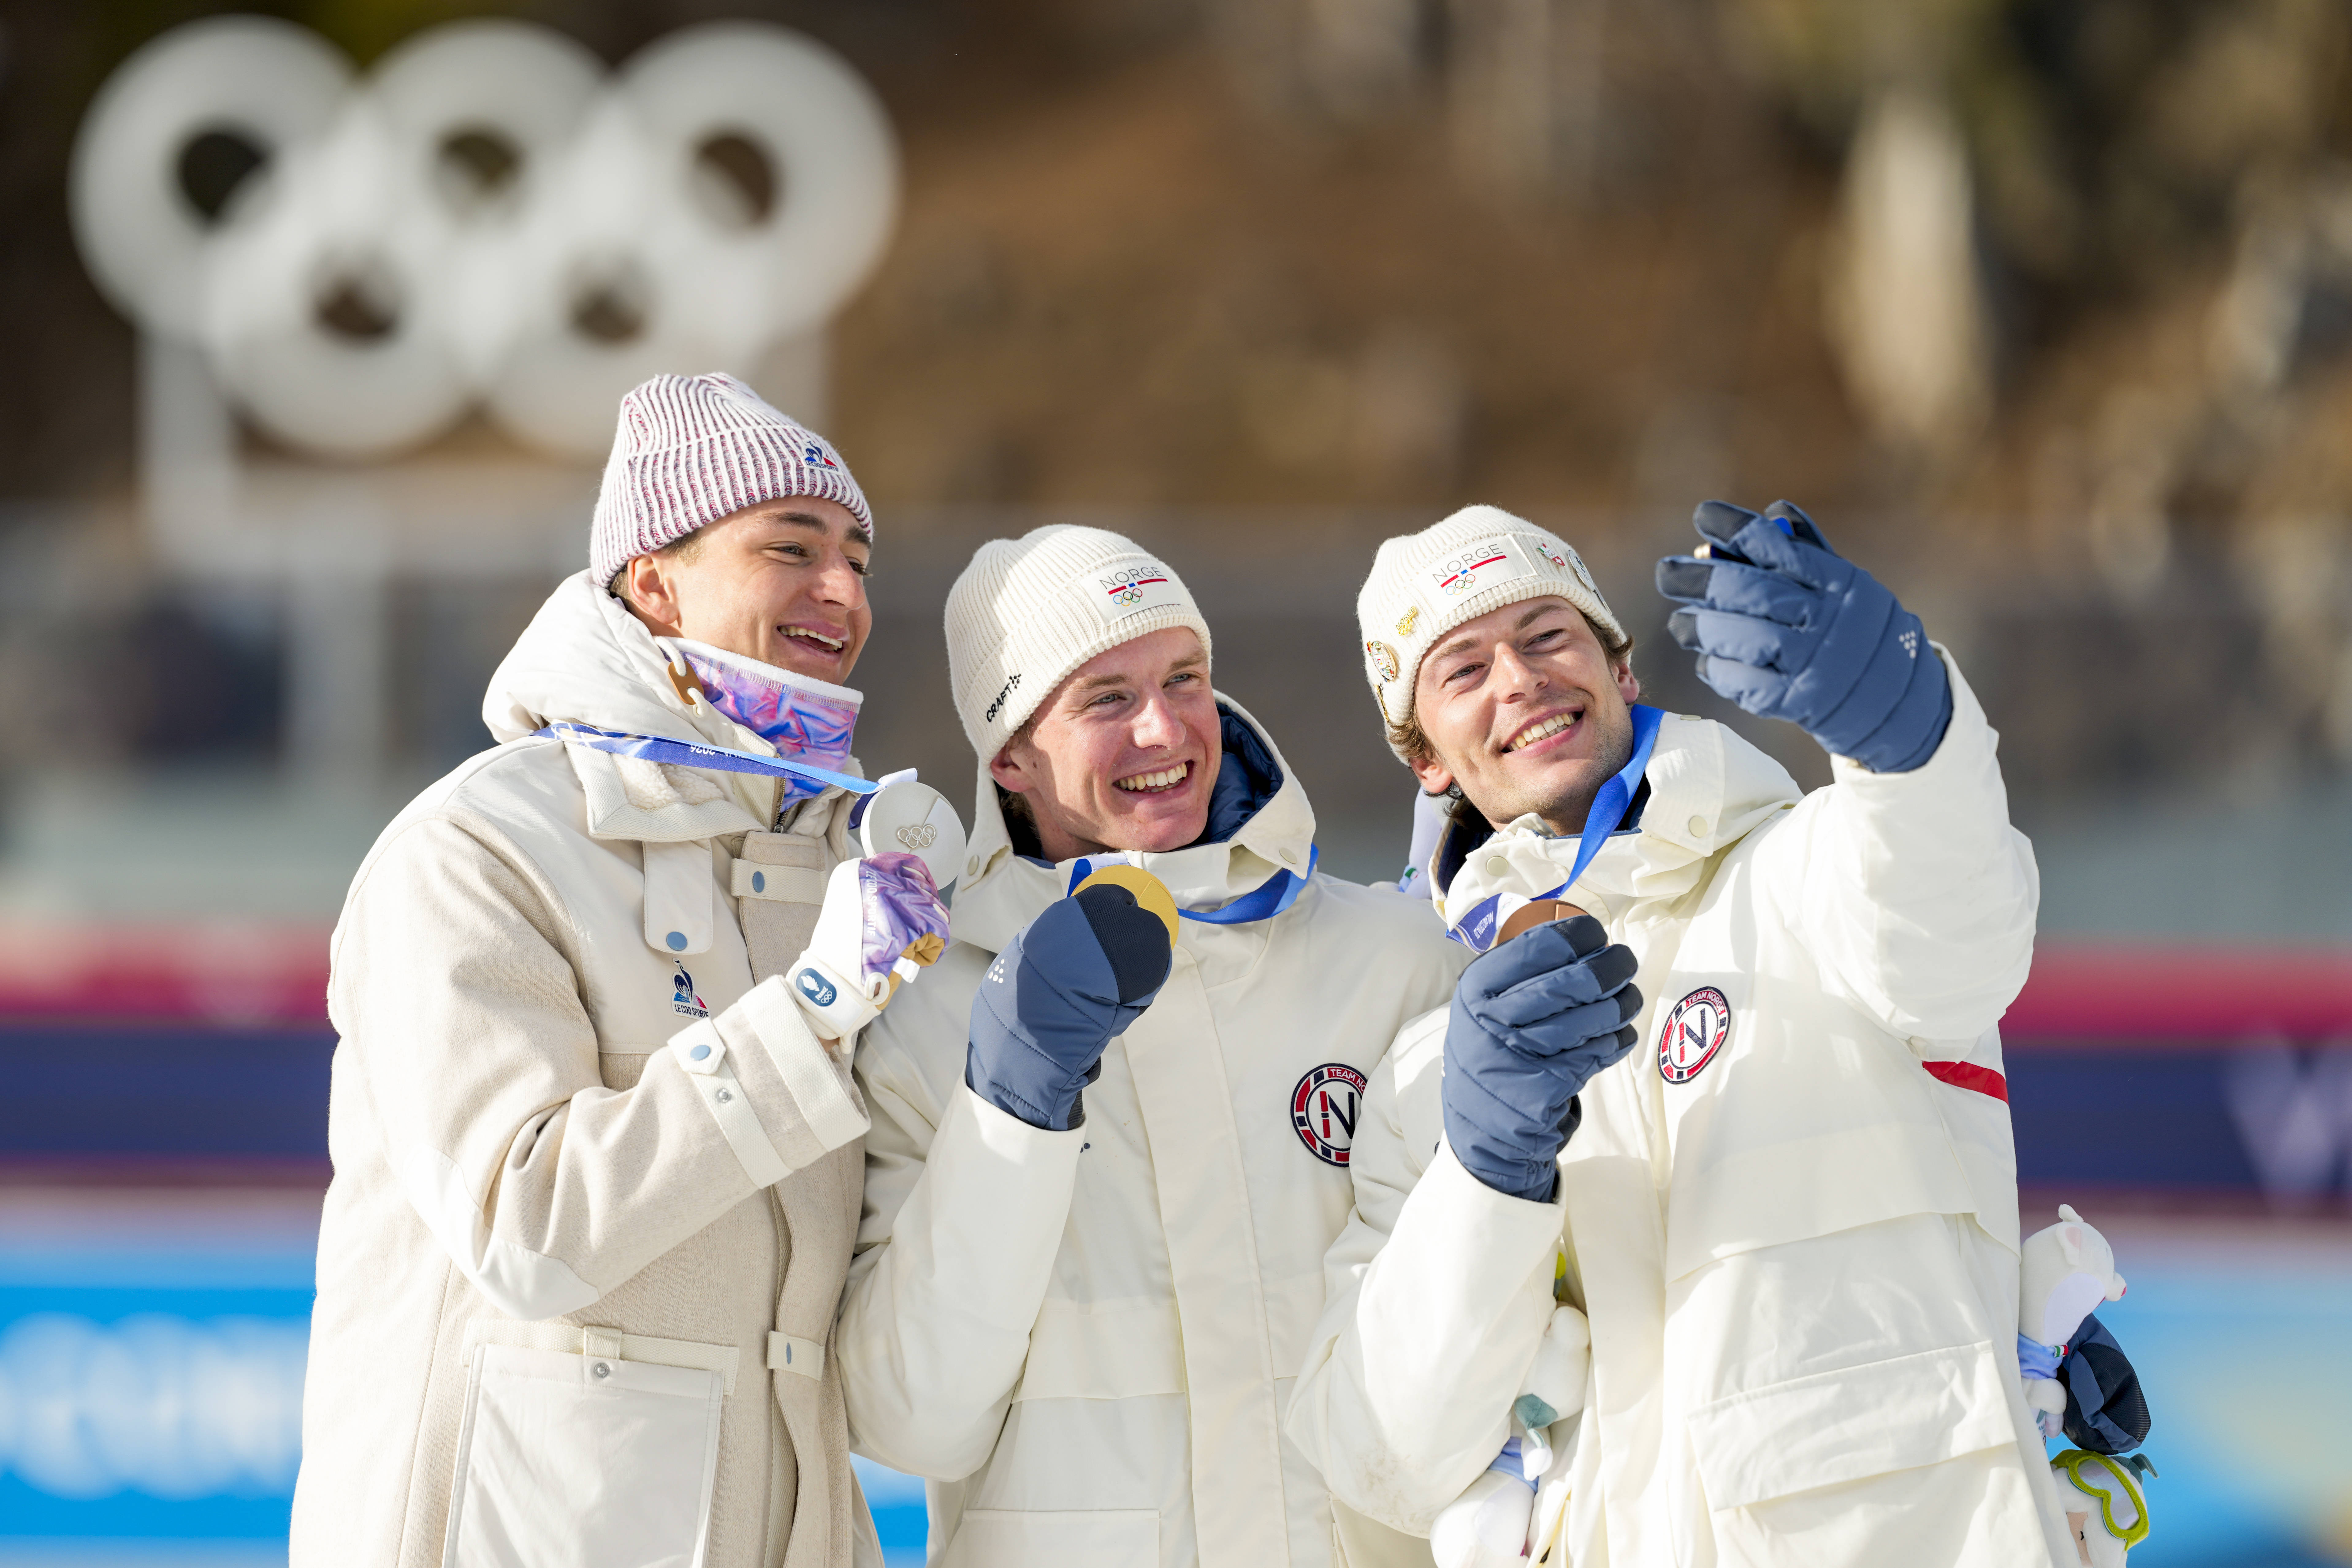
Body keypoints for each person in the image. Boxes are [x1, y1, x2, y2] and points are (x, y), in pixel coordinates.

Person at [1289, 502, 2077, 1566]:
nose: (1518, 678)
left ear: (1621, 669)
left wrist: (1911, 735)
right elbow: (1387, 1454)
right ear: (1426, 757)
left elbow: (1958, 938)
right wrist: (1483, 1179)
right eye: (1463, 669)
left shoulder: (1806, 875)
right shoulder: (1426, 1073)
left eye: (1545, 634)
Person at [290, 373, 949, 1568]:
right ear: (653, 582)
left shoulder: (836, 865)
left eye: (857, 559)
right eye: (790, 547)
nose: (843, 591)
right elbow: (529, 1224)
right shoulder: (480, 845)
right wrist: (814, 1009)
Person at [833, 525, 1471, 1568]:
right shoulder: (920, 1016)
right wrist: (1011, 1110)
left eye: (1184, 677)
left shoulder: (1394, 957)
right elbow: (912, 1422)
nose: (1164, 726)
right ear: (1009, 755)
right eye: (1105, 698)